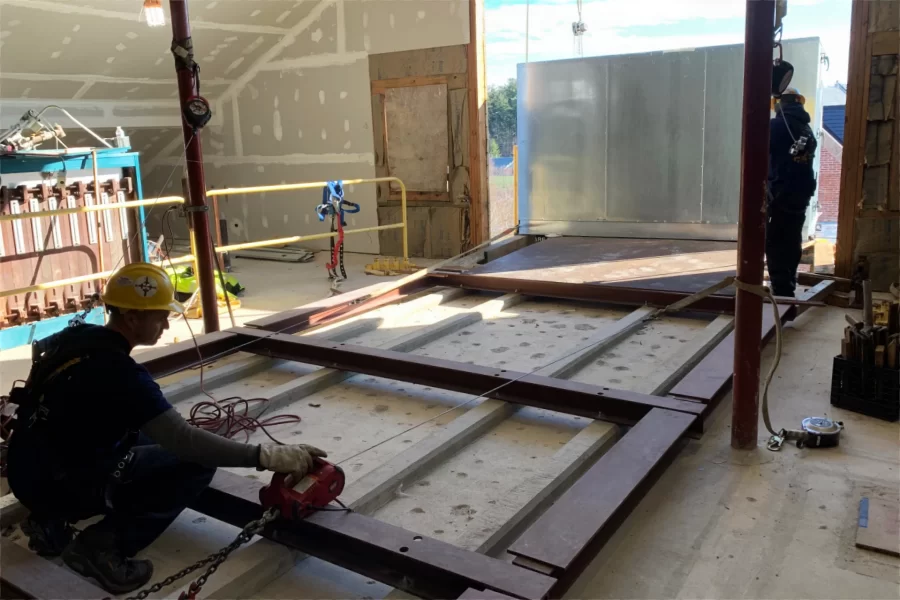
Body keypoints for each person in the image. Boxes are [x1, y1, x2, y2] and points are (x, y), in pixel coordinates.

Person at [6, 262, 327, 594]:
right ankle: (103, 545)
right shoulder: (123, 374)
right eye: (159, 316)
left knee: (145, 438)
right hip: (61, 485)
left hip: (28, 470)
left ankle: (48, 522)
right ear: (132, 318)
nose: (166, 322)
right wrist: (265, 455)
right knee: (197, 463)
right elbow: (184, 441)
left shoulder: (74, 338)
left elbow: (35, 393)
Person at [766, 86, 818, 297]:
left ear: (779, 104)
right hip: (801, 193)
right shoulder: (806, 129)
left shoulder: (775, 127)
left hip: (780, 193)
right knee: (792, 237)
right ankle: (789, 281)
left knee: (776, 240)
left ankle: (781, 290)